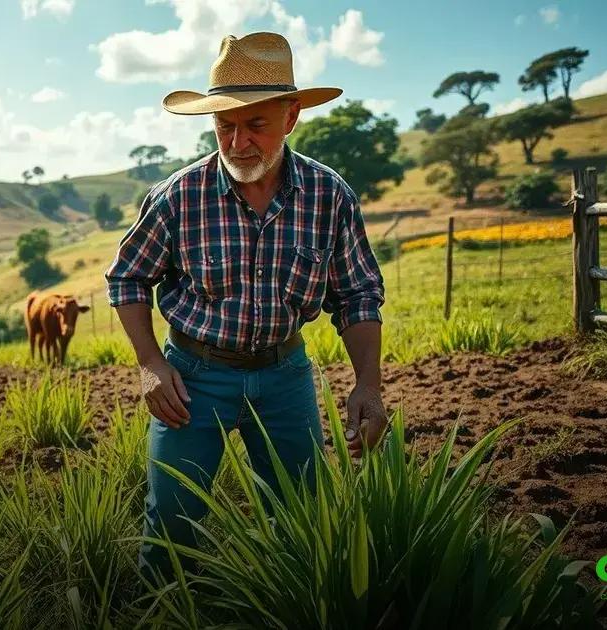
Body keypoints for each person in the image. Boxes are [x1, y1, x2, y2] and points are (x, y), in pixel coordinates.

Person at [103, 31, 388, 582]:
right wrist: (150, 365)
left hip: (285, 377)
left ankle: (291, 604)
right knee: (173, 524)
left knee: (303, 518)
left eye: (255, 124)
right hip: (192, 376)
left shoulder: (329, 197)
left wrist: (368, 384)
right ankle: (161, 614)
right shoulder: (178, 197)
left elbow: (356, 292)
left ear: (291, 117)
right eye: (224, 126)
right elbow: (128, 278)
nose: (237, 143)